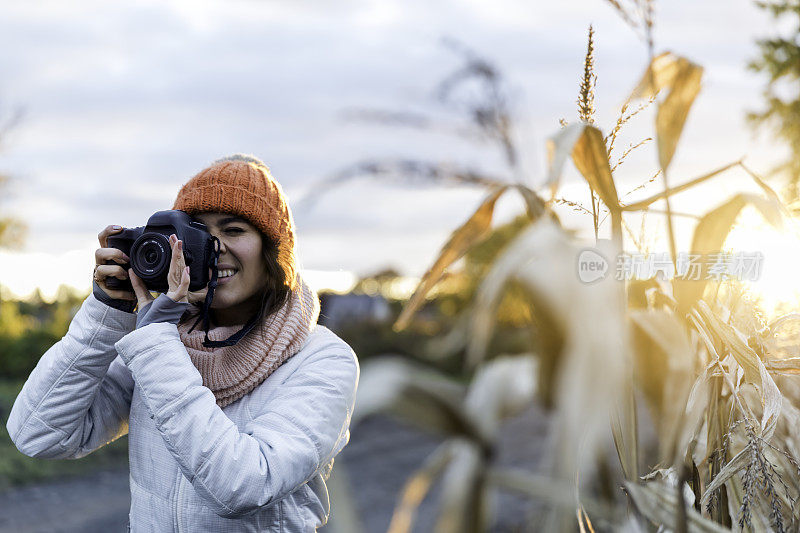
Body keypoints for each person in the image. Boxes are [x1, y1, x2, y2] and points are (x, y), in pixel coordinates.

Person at [6, 154, 360, 532]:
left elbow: (242, 486)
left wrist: (157, 344)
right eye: (198, 231)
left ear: (274, 252)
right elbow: (38, 434)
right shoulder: (157, 341)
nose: (214, 246)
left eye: (234, 229)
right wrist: (109, 314)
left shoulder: (322, 359)